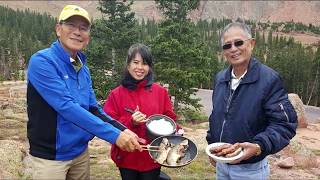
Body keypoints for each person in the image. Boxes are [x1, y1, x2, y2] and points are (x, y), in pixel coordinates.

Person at [27, 5, 142, 180]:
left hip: (80, 152)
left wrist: (123, 130)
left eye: (83, 28)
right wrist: (114, 136)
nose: (77, 32)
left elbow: (93, 108)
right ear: (58, 29)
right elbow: (67, 107)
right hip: (51, 156)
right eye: (71, 25)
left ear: (88, 37)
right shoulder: (42, 62)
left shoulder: (82, 66)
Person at [206, 22, 298, 180]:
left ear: (252, 43)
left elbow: (284, 125)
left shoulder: (269, 79)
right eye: (227, 46)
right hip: (222, 164)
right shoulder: (220, 78)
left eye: (239, 42)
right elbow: (217, 116)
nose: (233, 49)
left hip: (251, 170)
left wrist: (258, 147)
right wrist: (212, 144)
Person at [103, 43, 181, 180]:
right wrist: (131, 121)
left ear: (149, 67)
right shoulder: (116, 94)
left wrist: (177, 130)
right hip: (127, 156)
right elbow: (108, 123)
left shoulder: (160, 92)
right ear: (128, 65)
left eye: (144, 63)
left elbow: (169, 118)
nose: (140, 68)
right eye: (135, 62)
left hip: (153, 155)